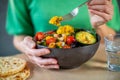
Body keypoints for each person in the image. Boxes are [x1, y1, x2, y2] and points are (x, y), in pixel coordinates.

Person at [6, 0, 120, 69]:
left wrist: (99, 25)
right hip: (44, 68)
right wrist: (28, 47)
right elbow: (19, 37)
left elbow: (111, 38)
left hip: (92, 66)